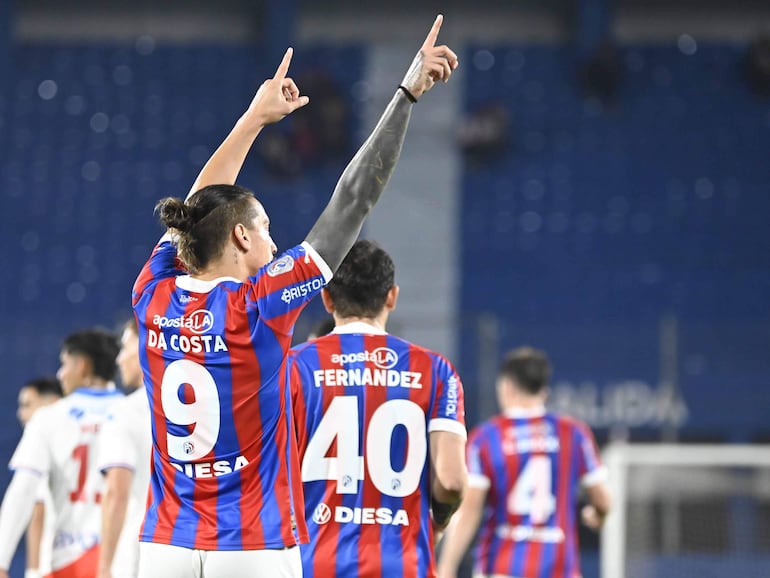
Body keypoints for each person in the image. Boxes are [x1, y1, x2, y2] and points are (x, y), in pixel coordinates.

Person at [131, 14, 457, 578]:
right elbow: (353, 201)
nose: (274, 240)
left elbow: (199, 205)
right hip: (253, 546)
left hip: (165, 545)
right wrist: (405, 95)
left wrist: (254, 119)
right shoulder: (259, 306)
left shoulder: (151, 292)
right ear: (240, 237)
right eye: (265, 228)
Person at [287, 239, 468, 577]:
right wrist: (438, 522)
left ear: (327, 299)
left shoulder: (293, 367)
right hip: (402, 564)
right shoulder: (436, 370)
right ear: (392, 297)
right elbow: (452, 481)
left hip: (313, 563)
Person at [437, 347, 612, 578]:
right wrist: (598, 515)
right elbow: (603, 499)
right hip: (560, 569)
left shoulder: (487, 438)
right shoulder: (574, 434)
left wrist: (447, 567)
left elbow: (469, 511)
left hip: (503, 567)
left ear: (506, 386)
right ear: (543, 390)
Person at [0, 329, 123, 578]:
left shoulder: (49, 418)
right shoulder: (140, 416)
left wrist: (2, 560)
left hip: (69, 561)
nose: (60, 374)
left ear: (82, 366)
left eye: (64, 364)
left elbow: (22, 492)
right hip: (124, 560)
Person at [97, 319, 152, 578]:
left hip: (139, 551)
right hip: (199, 543)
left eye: (125, 347)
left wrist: (105, 564)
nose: (119, 359)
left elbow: (116, 493)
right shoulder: (205, 403)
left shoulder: (125, 411)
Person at [16, 378, 63, 578]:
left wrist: (33, 571)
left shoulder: (46, 448)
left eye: (27, 405)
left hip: (52, 564)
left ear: (51, 403)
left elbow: (38, 511)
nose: (21, 414)